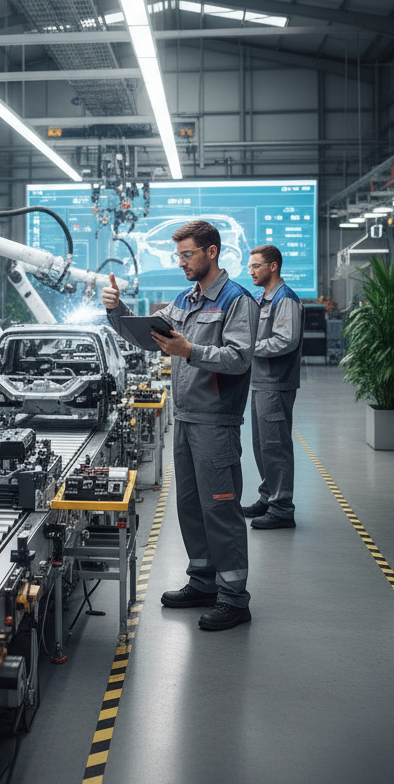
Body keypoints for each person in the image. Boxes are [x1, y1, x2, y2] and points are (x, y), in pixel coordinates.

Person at [103, 220, 257, 631]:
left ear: (212, 252)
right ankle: (203, 581)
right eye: (179, 256)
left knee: (221, 508)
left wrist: (190, 349)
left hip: (216, 420)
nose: (181, 262)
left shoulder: (236, 301)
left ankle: (233, 597)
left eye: (187, 255)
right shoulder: (185, 300)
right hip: (186, 419)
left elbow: (239, 359)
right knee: (190, 506)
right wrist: (115, 311)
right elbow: (146, 337)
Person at [243, 244, 304, 529]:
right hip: (260, 382)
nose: (251, 270)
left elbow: (285, 340)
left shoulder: (284, 299)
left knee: (275, 446)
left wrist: (246, 348)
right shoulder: (263, 299)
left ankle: (282, 509)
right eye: (250, 266)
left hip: (276, 383)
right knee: (261, 446)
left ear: (273, 266)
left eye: (256, 266)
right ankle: (268, 497)